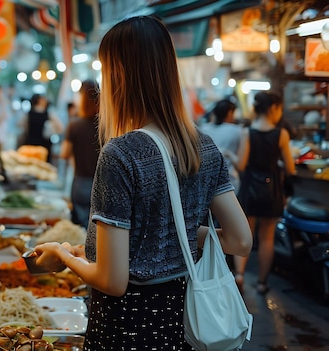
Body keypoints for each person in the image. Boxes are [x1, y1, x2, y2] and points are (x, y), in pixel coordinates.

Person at [31, 16, 252, 350]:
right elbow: (240, 241)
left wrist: (63, 256)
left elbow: (113, 280)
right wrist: (176, 233)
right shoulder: (203, 145)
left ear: (119, 75)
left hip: (128, 329)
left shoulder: (121, 153)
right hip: (186, 326)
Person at [232, 91, 296, 295]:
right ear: (273, 108)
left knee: (245, 234)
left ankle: (239, 275)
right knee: (267, 238)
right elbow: (291, 168)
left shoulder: (247, 132)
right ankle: (261, 283)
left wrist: (229, 155)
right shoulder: (282, 134)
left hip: (250, 188)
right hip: (272, 190)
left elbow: (241, 164)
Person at [60, 80, 100, 228]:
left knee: (81, 230)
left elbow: (64, 153)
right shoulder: (106, 126)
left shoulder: (74, 125)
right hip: (103, 183)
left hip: (81, 182)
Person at [199, 99, 242, 192]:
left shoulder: (204, 128)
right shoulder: (237, 130)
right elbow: (241, 164)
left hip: (207, 178)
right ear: (230, 113)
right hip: (231, 179)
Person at [22, 94, 63, 162]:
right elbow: (60, 128)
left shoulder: (28, 114)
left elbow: (23, 127)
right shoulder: (49, 114)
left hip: (30, 146)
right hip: (44, 147)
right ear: (40, 101)